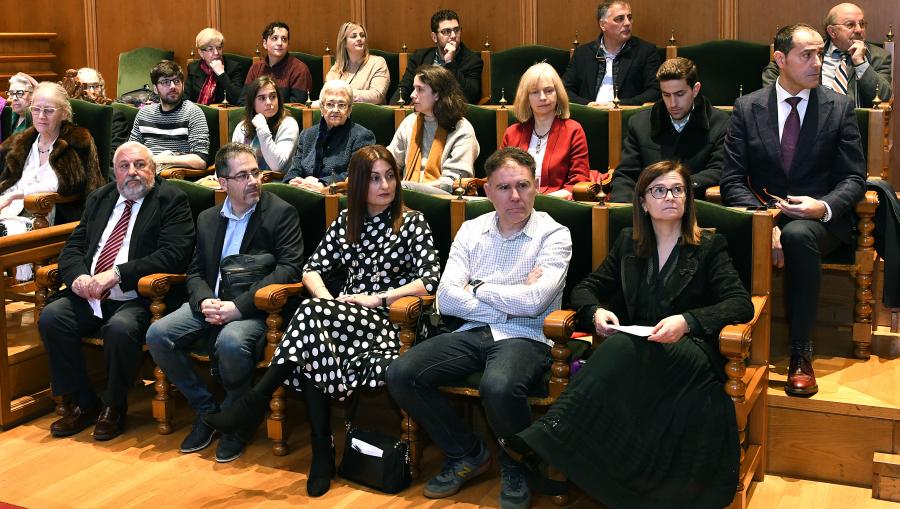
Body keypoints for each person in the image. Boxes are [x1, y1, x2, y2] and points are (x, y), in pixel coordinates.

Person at [503, 160, 754, 509]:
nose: (670, 197)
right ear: (642, 202)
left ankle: (548, 438)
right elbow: (586, 288)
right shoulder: (628, 243)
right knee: (622, 344)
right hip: (639, 350)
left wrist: (687, 321)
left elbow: (741, 304)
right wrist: (595, 312)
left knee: (619, 346)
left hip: (691, 353)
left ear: (688, 199)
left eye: (678, 190)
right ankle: (560, 448)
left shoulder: (709, 247)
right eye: (659, 190)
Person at [203, 145, 441, 497]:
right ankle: (318, 449)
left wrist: (375, 298)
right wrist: (329, 303)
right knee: (315, 326)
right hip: (341, 319)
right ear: (359, 184)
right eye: (374, 178)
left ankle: (279, 418)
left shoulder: (412, 222)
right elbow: (311, 268)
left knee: (311, 323)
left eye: (390, 176)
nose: (385, 185)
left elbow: (431, 278)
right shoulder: (347, 220)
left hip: (390, 323)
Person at [387, 147, 573, 509]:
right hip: (470, 331)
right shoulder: (471, 230)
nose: (514, 196)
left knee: (499, 386)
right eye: (504, 188)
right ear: (487, 191)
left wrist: (479, 287)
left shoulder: (554, 234)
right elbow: (447, 298)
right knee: (402, 373)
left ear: (536, 186)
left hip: (528, 335)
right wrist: (514, 295)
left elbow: (535, 304)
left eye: (522, 185)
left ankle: (516, 465)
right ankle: (468, 452)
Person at [722, 23, 866, 396]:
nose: (817, 62)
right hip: (763, 212)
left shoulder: (838, 107)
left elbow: (854, 178)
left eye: (820, 53)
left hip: (819, 222)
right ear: (780, 59)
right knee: (724, 231)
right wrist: (763, 222)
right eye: (807, 54)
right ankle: (725, 342)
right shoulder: (747, 106)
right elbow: (732, 180)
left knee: (799, 234)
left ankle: (801, 351)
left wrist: (823, 207)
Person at [147, 143, 303, 463]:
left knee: (233, 341)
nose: (253, 181)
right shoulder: (207, 218)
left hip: (255, 307)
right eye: (243, 175)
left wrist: (238, 307)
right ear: (222, 182)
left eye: (256, 172)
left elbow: (289, 268)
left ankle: (236, 420)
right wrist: (205, 300)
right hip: (210, 304)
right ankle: (208, 410)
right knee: (158, 335)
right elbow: (194, 271)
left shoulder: (280, 212)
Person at [39, 141, 195, 442]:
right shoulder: (101, 198)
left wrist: (119, 274)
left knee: (120, 329)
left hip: (138, 294)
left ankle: (114, 405)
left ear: (154, 169)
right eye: (124, 166)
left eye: (140, 165)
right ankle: (84, 402)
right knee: (52, 317)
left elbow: (174, 254)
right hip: (90, 292)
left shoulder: (171, 199)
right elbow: (74, 246)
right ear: (115, 172)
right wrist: (78, 278)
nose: (132, 172)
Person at [610, 57, 727, 202]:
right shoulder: (640, 123)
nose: (673, 103)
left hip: (694, 206)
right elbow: (626, 174)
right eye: (666, 95)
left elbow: (718, 170)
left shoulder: (721, 124)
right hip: (648, 210)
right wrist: (627, 210)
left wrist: (676, 187)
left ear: (695, 89)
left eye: (679, 94)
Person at [0, 82, 105, 237]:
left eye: (49, 110)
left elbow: (69, 183)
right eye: (36, 109)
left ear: (64, 113)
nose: (41, 116)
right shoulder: (23, 140)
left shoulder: (76, 140)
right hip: (9, 210)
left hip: (47, 216)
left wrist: (14, 195)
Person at [761, 3, 892, 108]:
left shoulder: (878, 56)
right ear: (832, 31)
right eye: (850, 25)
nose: (859, 30)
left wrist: (861, 63)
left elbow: (883, 97)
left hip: (855, 126)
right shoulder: (812, 49)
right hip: (810, 122)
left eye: (862, 24)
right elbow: (773, 72)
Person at [500, 62, 590, 200]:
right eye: (535, 92)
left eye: (549, 91)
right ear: (526, 98)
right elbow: (500, 176)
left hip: (557, 206)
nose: (543, 97)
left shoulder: (573, 130)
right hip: (516, 204)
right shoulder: (512, 133)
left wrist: (543, 201)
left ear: (558, 94)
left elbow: (579, 182)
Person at [387, 65, 479, 195]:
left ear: (437, 94)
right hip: (406, 195)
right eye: (414, 88)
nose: (412, 95)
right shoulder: (410, 122)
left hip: (445, 200)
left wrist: (411, 188)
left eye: (420, 89)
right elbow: (390, 163)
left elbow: (453, 181)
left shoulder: (462, 129)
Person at [563, 1, 661, 107]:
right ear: (603, 25)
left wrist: (618, 105)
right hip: (589, 117)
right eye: (620, 19)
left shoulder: (646, 51)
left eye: (629, 17)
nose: (628, 23)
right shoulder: (582, 53)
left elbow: (655, 90)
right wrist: (588, 105)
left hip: (627, 117)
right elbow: (564, 90)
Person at [284, 80, 375, 191]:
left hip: (337, 196)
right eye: (330, 104)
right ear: (322, 108)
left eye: (342, 105)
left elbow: (356, 174)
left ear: (350, 109)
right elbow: (295, 168)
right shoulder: (307, 134)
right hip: (302, 191)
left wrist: (322, 183)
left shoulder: (362, 136)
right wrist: (293, 180)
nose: (335, 110)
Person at [129, 60, 210, 172]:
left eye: (177, 81)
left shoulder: (193, 112)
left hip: (172, 178)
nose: (173, 86)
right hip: (143, 174)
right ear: (155, 89)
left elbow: (200, 160)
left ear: (183, 85)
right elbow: (131, 152)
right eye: (166, 82)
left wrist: (162, 160)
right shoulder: (144, 113)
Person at [391, 9, 483, 104]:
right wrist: (393, 112)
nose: (453, 35)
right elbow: (403, 89)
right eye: (447, 31)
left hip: (452, 115)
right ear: (434, 37)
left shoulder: (473, 61)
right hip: (420, 111)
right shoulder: (419, 57)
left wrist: (450, 63)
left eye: (456, 30)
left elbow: (470, 97)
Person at [60, 67, 131, 180]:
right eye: (85, 86)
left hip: (100, 174)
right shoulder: (67, 115)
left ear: (101, 88)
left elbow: (114, 155)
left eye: (95, 86)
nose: (91, 91)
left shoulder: (114, 116)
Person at [232, 76, 299, 172]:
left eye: (272, 97)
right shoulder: (242, 127)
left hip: (275, 183)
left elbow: (277, 165)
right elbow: (233, 160)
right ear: (252, 102)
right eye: (262, 98)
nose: (268, 102)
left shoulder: (288, 124)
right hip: (246, 182)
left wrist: (262, 128)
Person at [244, 21, 312, 104]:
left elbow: (297, 107)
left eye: (284, 39)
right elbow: (244, 101)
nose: (280, 43)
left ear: (288, 44)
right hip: (257, 116)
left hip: (287, 117)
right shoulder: (255, 69)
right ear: (265, 43)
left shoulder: (300, 69)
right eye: (274, 38)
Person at [324, 22, 389, 105]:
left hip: (367, 114)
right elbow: (326, 94)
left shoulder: (378, 62)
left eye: (362, 35)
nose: (359, 39)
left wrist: (343, 93)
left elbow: (377, 96)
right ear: (344, 43)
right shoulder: (337, 67)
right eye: (354, 36)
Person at [185, 28, 248, 106]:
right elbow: (186, 98)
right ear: (201, 53)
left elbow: (239, 99)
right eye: (210, 49)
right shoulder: (193, 68)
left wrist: (222, 74)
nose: (216, 53)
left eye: (219, 48)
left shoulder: (233, 68)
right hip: (197, 114)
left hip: (222, 115)